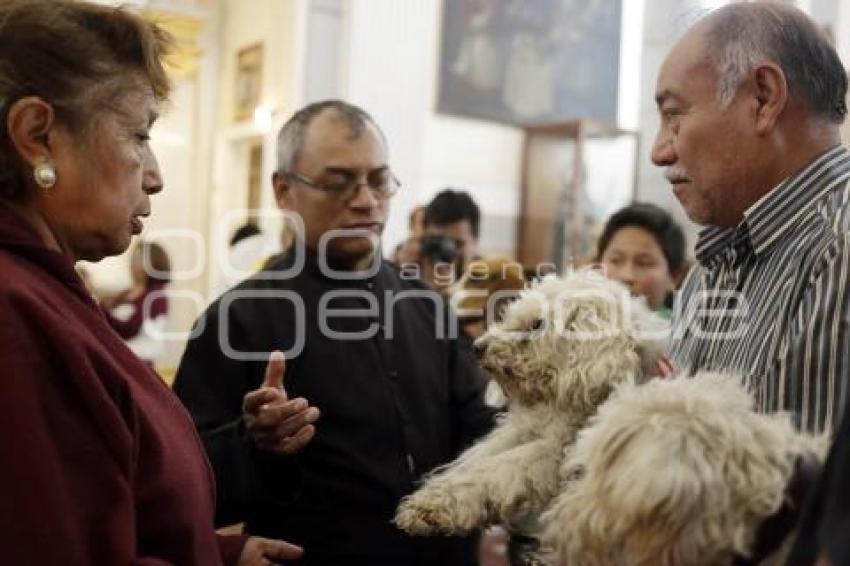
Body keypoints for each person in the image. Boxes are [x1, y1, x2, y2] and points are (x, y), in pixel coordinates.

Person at [0, 2, 301, 564]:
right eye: (139, 135)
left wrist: (215, 551)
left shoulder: (46, 291)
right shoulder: (15, 313)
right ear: (38, 135)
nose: (156, 176)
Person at [173, 100, 494, 565]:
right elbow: (183, 481)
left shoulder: (425, 305)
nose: (365, 200)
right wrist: (256, 443)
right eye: (338, 182)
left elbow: (478, 429)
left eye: (379, 180)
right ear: (284, 191)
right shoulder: (238, 318)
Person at [653, 2, 850, 432]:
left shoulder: (838, 252)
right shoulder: (715, 263)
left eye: (673, 116)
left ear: (763, 98)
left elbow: (805, 493)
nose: (659, 151)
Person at [596, 202, 687, 317]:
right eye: (616, 260)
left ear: (674, 276)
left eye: (644, 264)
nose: (627, 276)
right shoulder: (573, 327)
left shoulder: (684, 333)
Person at [101, 240, 171, 368]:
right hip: (118, 357)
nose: (133, 264)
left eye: (138, 259)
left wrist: (100, 310)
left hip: (138, 361)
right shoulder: (128, 292)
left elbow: (130, 329)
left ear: (153, 262)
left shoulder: (155, 296)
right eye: (133, 258)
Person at [419, 189, 481, 293]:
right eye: (438, 242)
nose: (447, 252)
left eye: (457, 244)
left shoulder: (493, 290)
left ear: (475, 242)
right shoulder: (404, 278)